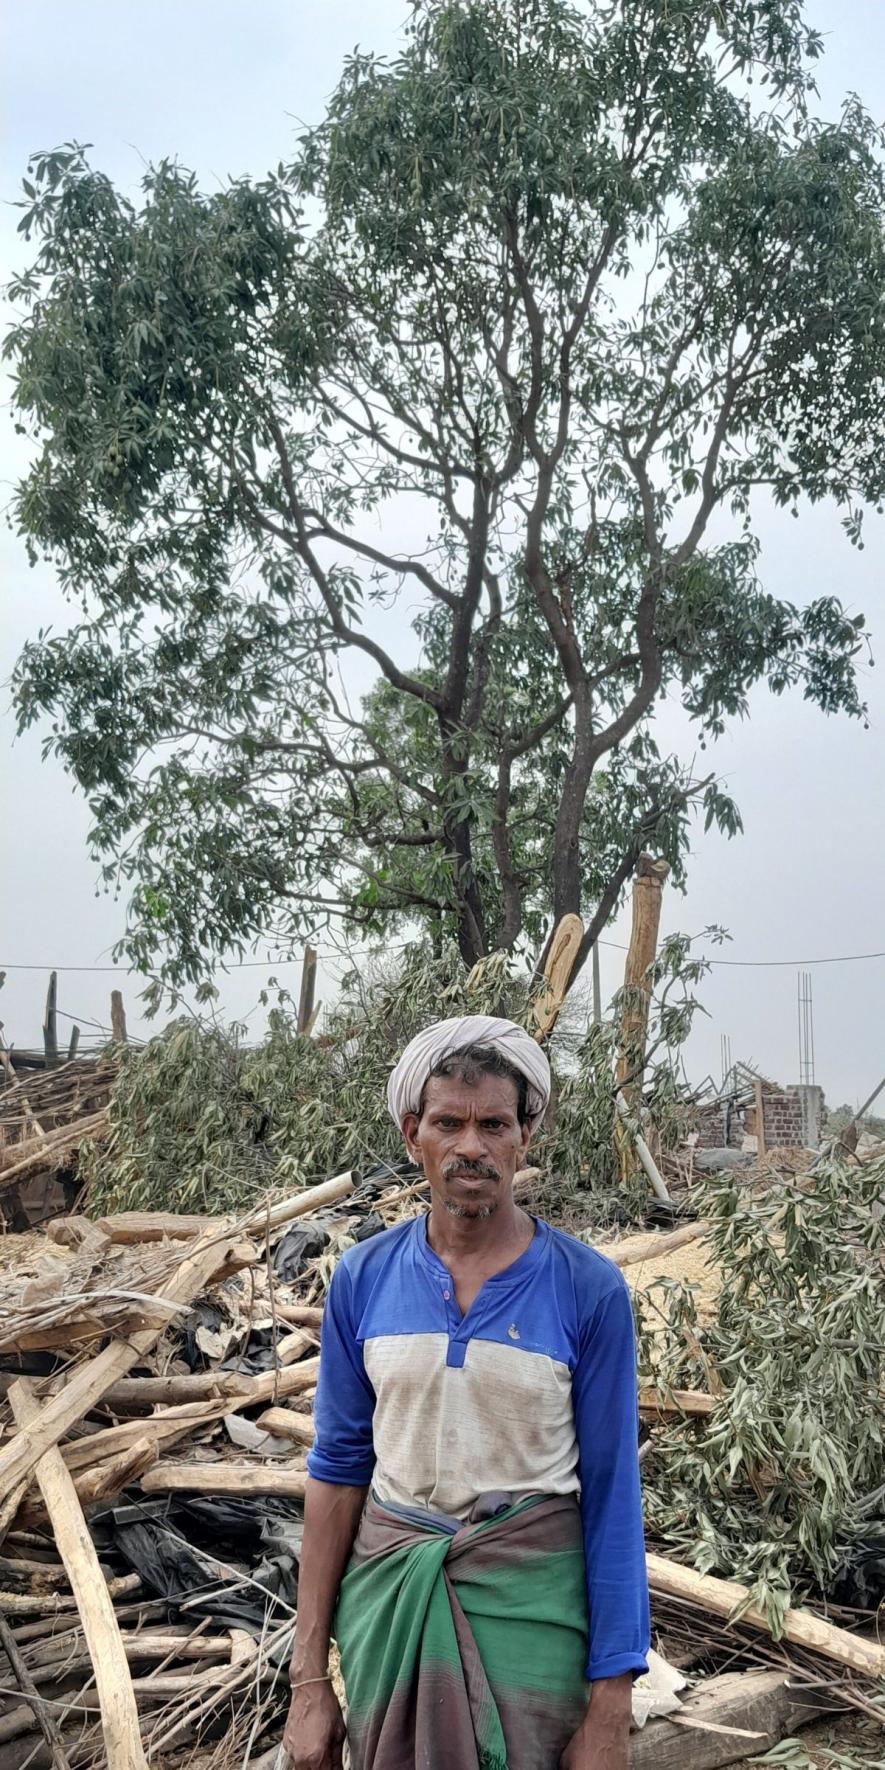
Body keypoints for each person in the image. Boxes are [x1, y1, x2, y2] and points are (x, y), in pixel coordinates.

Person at [283, 1015, 649, 1770]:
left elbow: (613, 1494)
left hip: (530, 1616)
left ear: (525, 1135)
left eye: (493, 1123)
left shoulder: (587, 1290)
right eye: (449, 1123)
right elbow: (337, 1472)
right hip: (391, 1606)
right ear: (414, 1133)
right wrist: (308, 1678)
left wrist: (611, 1706)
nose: (471, 1146)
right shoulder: (363, 1279)